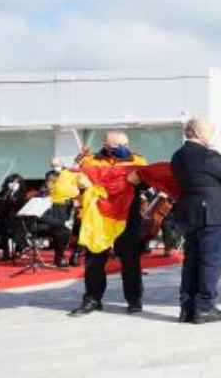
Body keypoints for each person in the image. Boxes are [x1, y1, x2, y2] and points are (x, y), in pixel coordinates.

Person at [171, 117, 221, 324]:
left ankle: (187, 309)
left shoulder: (178, 155)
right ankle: (204, 307)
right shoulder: (207, 155)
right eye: (209, 132)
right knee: (211, 261)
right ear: (200, 133)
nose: (211, 136)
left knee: (192, 262)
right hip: (212, 215)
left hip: (189, 214)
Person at [69, 130, 148, 317]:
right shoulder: (91, 161)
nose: (123, 149)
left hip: (127, 216)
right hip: (98, 217)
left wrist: (139, 181)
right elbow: (76, 182)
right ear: (106, 145)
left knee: (130, 260)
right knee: (94, 260)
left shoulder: (137, 160)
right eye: (117, 146)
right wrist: (78, 170)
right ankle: (92, 299)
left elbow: (147, 184)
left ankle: (134, 299)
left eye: (125, 145)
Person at [27, 170, 74, 267]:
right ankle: (58, 257)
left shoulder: (63, 196)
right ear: (46, 182)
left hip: (56, 226)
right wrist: (60, 223)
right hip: (39, 225)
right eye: (50, 181)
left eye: (56, 182)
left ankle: (58, 258)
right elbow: (40, 216)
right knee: (63, 231)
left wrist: (69, 204)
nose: (52, 184)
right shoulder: (40, 195)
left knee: (65, 231)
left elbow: (65, 217)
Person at [0, 173, 28, 260]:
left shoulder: (23, 196)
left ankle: (19, 249)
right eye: (11, 182)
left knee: (19, 227)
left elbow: (22, 210)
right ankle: (4, 250)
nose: (13, 185)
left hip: (17, 220)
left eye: (16, 183)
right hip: (3, 219)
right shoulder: (0, 195)